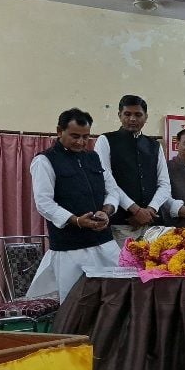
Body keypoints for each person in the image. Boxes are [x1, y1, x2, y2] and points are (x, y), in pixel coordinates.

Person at [26, 108, 121, 303]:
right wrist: (76, 220)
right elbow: (44, 203)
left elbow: (113, 191)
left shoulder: (93, 158)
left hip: (104, 244)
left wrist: (106, 211)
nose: (81, 142)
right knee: (76, 306)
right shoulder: (44, 161)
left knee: (115, 301)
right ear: (59, 131)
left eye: (86, 137)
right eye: (75, 136)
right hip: (70, 248)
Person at [94, 95, 170, 246]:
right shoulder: (106, 140)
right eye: (127, 114)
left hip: (153, 223)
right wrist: (135, 210)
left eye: (138, 114)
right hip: (121, 223)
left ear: (146, 117)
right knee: (124, 268)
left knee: (155, 268)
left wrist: (149, 210)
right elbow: (107, 181)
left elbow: (165, 184)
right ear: (119, 116)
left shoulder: (154, 145)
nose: (133, 119)